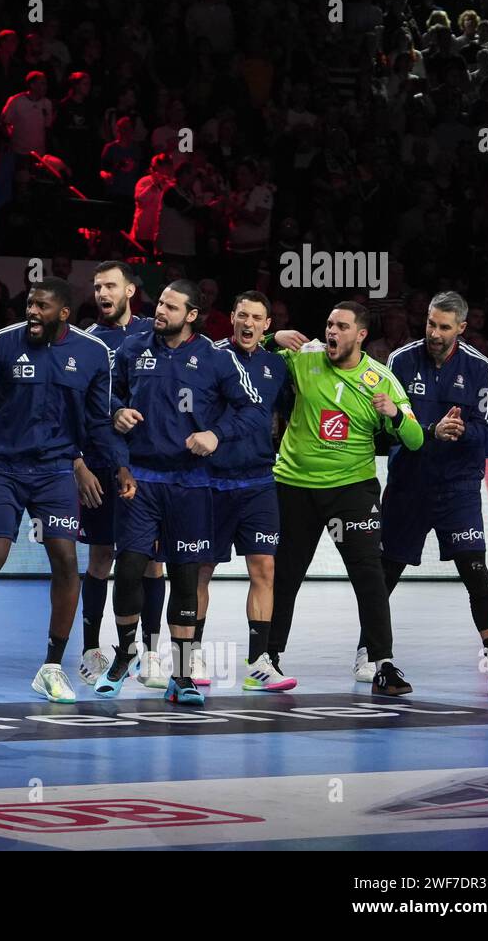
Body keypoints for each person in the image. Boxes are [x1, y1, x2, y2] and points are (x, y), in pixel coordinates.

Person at [0, 276, 127, 703]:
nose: (32, 312)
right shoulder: (3, 343)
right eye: (30, 304)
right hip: (1, 466)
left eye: (42, 307)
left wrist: (120, 465)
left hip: (56, 470)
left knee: (66, 560)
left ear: (64, 313)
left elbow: (97, 421)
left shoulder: (93, 353)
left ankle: (52, 666)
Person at [102, 280, 265, 705]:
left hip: (192, 483)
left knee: (186, 577)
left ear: (192, 315)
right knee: (130, 566)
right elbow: (104, 397)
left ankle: (181, 674)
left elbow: (254, 410)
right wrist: (117, 412)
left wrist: (216, 434)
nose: (160, 311)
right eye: (159, 303)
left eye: (171, 307)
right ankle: (125, 655)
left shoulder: (217, 358)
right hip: (140, 479)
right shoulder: (132, 348)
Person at [266, 303, 423, 695]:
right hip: (295, 485)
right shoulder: (305, 357)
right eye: (329, 324)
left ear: (361, 335)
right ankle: (268, 658)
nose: (332, 332)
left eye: (341, 326)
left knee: (369, 575)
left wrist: (395, 415)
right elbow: (242, 350)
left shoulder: (380, 379)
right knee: (284, 575)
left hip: (351, 489)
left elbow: (416, 439)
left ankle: (383, 664)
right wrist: (273, 338)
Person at [382, 292, 488, 696]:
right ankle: (370, 654)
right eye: (431, 324)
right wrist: (430, 432)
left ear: (461, 327)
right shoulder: (400, 360)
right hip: (408, 485)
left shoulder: (479, 367)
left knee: (475, 569)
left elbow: (487, 429)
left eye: (444, 327)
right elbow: (388, 425)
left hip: (457, 486)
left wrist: (458, 431)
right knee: (385, 574)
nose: (435, 333)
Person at [199, 291, 296, 692]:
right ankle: (189, 656)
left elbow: (291, 413)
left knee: (265, 569)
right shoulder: (210, 357)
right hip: (211, 482)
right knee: (199, 570)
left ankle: (259, 662)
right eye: (242, 315)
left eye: (257, 318)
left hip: (259, 481)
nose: (248, 323)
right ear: (232, 318)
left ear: (266, 324)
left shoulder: (276, 366)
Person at [77, 262, 167, 688]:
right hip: (100, 464)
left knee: (152, 562)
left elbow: (205, 350)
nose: (102, 293)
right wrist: (79, 463)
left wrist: (273, 338)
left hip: (149, 465)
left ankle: (150, 653)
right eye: (97, 287)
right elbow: (78, 403)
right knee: (100, 557)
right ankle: (91, 650)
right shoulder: (87, 340)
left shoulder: (154, 331)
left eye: (110, 285)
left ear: (130, 290)